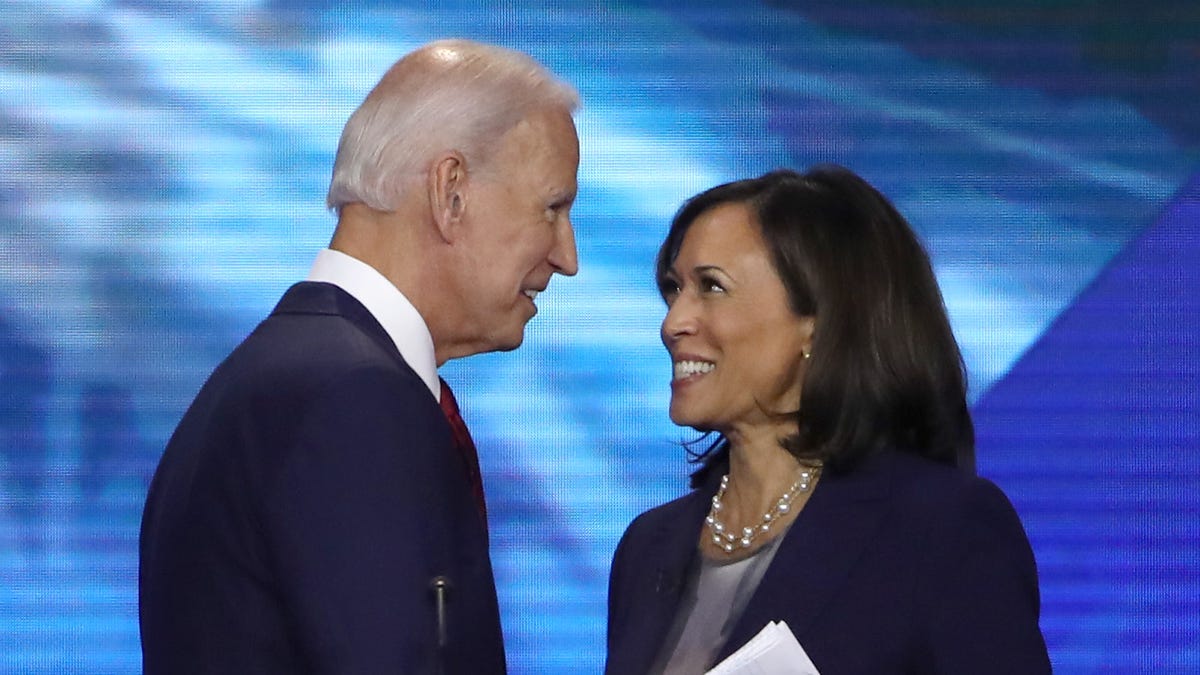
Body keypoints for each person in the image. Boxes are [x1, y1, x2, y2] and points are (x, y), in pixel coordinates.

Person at [139, 39, 580, 674]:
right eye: (553, 208)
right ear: (450, 191)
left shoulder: (281, 373)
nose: (568, 257)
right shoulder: (352, 399)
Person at [605, 167, 1051, 674]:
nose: (673, 323)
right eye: (673, 289)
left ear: (817, 323)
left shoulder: (938, 530)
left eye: (711, 287)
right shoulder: (648, 547)